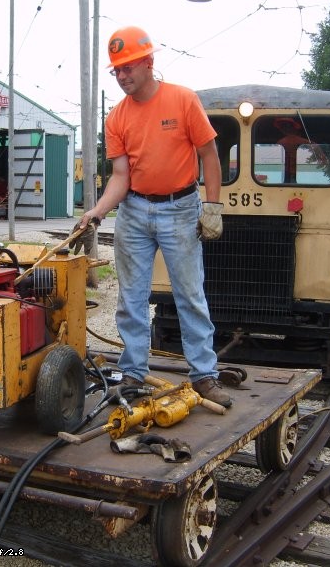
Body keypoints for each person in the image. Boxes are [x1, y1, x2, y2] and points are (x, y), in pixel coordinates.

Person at [75, 25, 231, 407]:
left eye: (129, 67)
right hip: (134, 211)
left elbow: (209, 155)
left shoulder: (183, 101)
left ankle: (204, 375)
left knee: (189, 294)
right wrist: (96, 212)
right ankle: (133, 372)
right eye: (117, 70)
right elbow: (121, 177)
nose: (123, 76)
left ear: (148, 62)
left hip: (181, 208)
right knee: (131, 297)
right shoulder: (117, 118)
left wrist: (211, 205)